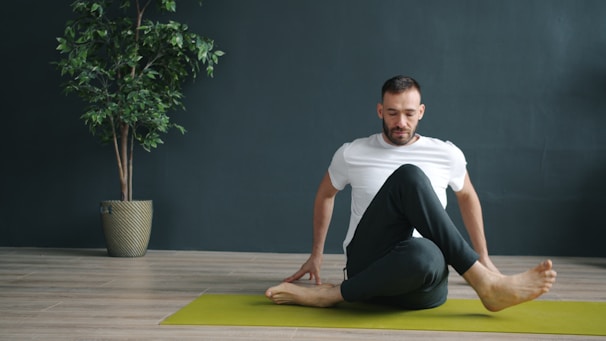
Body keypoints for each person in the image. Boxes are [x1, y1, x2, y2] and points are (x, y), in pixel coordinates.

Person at [265, 75, 556, 312]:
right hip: (368, 268)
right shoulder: (352, 152)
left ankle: (335, 295)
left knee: (425, 252)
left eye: (408, 113)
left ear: (421, 112)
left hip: (422, 281)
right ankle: (484, 284)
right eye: (392, 113)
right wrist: (316, 256)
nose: (400, 122)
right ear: (380, 111)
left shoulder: (446, 153)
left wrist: (485, 257)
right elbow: (325, 195)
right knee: (409, 175)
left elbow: (467, 196)